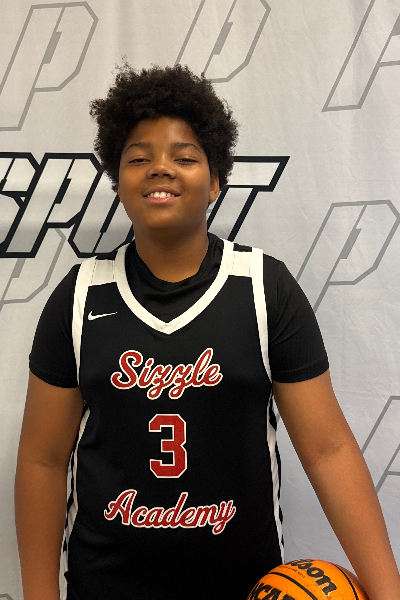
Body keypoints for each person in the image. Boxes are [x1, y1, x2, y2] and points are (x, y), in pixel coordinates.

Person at [15, 64, 400, 600]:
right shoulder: (79, 296)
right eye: (138, 158)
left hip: (244, 588)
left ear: (216, 180)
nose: (160, 168)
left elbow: (328, 450)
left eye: (185, 157)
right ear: (117, 181)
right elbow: (43, 461)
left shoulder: (264, 288)